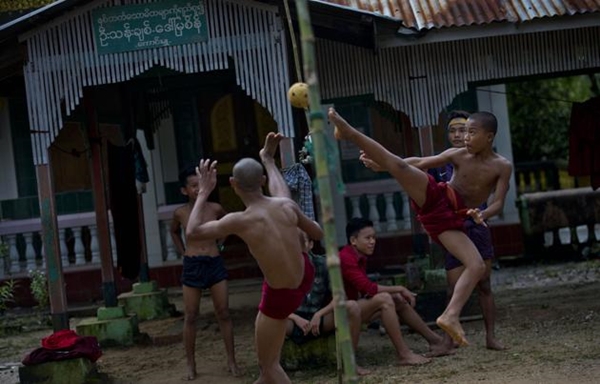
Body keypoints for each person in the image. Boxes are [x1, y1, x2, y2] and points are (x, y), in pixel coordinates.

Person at [328, 107, 513, 347]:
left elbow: (498, 201)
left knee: (477, 266)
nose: (465, 138)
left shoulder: (502, 166)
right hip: (438, 199)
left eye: (471, 133)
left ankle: (450, 315)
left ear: (489, 137)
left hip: (451, 220)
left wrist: (483, 213)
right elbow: (420, 162)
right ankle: (349, 132)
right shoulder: (458, 154)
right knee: (401, 167)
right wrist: (382, 166)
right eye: (463, 132)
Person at [186, 132, 324, 384]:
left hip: (280, 293)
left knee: (269, 366)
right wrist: (268, 160)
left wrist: (204, 192)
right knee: (265, 371)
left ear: (233, 184)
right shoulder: (286, 206)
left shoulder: (240, 221)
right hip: (305, 274)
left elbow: (193, 232)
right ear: (262, 180)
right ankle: (266, 159)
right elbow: (317, 232)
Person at [433, 110, 506, 350]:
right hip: (453, 227)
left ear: (484, 136)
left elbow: (498, 202)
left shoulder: (497, 165)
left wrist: (482, 215)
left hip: (478, 225)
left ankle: (491, 337)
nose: (459, 135)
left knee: (484, 283)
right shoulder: (449, 159)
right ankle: (446, 341)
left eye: (465, 131)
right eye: (453, 131)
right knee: (452, 285)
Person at [340, 217, 454, 366]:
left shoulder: (359, 255)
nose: (372, 241)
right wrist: (400, 288)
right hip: (340, 311)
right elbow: (367, 287)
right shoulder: (345, 257)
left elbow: (366, 290)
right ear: (353, 240)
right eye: (367, 238)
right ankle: (404, 354)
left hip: (354, 307)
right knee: (385, 299)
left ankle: (435, 341)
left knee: (396, 299)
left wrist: (396, 293)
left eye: (374, 237)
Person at [170, 165, 241, 381]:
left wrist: (219, 245)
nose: (197, 189)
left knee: (224, 312)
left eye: (200, 185)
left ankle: (232, 361)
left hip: (214, 262)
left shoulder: (216, 209)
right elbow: (173, 231)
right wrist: (183, 251)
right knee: (191, 316)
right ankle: (191, 365)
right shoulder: (180, 213)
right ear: (184, 190)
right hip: (192, 264)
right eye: (193, 186)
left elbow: (230, 225)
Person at [285, 232, 369, 375]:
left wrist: (319, 314)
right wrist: (295, 318)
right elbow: (273, 303)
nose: (298, 247)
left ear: (311, 244)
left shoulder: (323, 264)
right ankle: (271, 371)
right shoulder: (283, 268)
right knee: (272, 319)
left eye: (303, 242)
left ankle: (350, 362)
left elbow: (339, 296)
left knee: (352, 307)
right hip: (293, 321)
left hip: (319, 320)